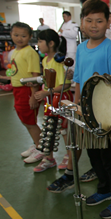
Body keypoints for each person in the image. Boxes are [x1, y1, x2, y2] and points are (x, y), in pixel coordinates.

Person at [48, 0, 111, 219]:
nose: (94, 25)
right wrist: (78, 106)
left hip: (110, 120)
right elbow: (78, 80)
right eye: (89, 20)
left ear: (108, 23)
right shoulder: (81, 49)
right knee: (95, 158)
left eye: (99, 21)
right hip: (88, 117)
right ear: (82, 23)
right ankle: (104, 190)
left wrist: (102, 100)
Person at [32, 29, 72, 173]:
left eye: (40, 41)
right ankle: (49, 158)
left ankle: (69, 155)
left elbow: (66, 85)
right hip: (49, 99)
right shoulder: (44, 60)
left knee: (64, 129)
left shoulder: (59, 61)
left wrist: (46, 92)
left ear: (51, 43)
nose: (38, 44)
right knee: (49, 127)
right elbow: (47, 80)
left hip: (61, 99)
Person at [9, 22, 44, 164]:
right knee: (25, 121)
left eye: (23, 36)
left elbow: (35, 75)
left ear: (30, 37)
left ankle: (41, 149)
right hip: (17, 90)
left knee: (30, 122)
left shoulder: (30, 52)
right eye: (16, 35)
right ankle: (37, 144)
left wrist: (33, 96)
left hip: (27, 91)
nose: (19, 38)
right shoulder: (15, 51)